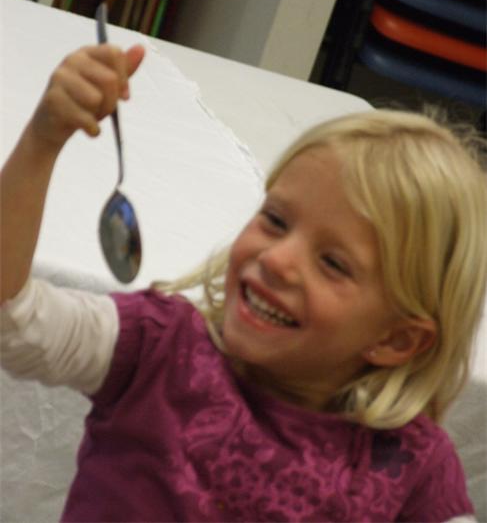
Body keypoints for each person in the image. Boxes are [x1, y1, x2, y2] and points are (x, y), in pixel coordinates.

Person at [1, 43, 485, 523]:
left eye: (333, 264)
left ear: (397, 339)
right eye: (275, 220)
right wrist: (43, 141)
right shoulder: (159, 348)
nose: (277, 260)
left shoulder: (414, 470)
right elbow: (12, 321)